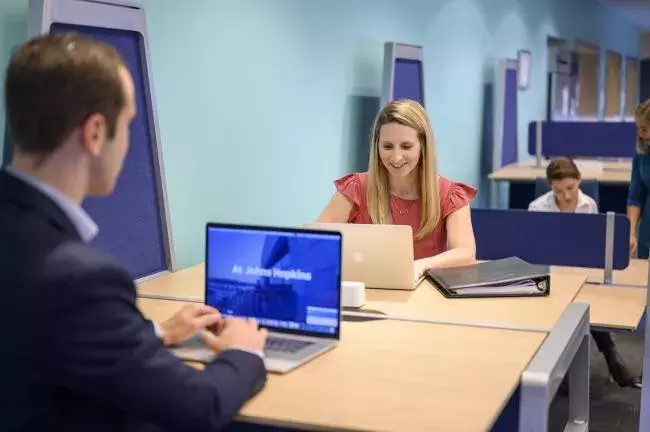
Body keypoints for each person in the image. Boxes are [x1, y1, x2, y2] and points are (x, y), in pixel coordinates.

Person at [0, 33, 268, 431]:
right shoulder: (79, 278)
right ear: (94, 134)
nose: (127, 143)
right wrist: (244, 354)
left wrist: (156, 332)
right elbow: (197, 407)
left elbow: (47, 342)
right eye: (127, 125)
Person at [317, 99, 476, 281]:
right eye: (387, 147)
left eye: (406, 146)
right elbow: (316, 240)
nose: (396, 157)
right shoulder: (355, 188)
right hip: (368, 293)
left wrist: (421, 265)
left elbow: (466, 253)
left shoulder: (450, 194)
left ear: (423, 146)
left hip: (426, 298)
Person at [528, 157, 641, 388]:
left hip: (581, 270)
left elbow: (592, 247)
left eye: (570, 188)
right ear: (550, 186)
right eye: (558, 191)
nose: (566, 196)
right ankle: (611, 358)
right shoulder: (537, 207)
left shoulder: (589, 205)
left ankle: (609, 357)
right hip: (550, 271)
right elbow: (535, 249)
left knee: (585, 301)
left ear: (579, 181)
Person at [628, 98, 650, 259]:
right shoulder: (642, 155)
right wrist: (631, 233)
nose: (640, 135)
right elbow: (635, 197)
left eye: (644, 129)